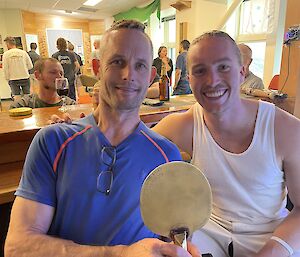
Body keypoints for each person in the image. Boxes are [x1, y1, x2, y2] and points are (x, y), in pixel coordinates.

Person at [5, 20, 200, 257]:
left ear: (150, 76)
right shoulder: (53, 141)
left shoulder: (166, 156)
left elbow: (171, 243)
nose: (129, 75)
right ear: (97, 67)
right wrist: (121, 253)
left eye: (140, 66)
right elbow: (18, 247)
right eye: (118, 62)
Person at [153, 30, 300, 256]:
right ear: (189, 79)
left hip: (270, 235)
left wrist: (273, 251)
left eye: (223, 67)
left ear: (242, 72)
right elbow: (133, 146)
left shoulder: (285, 129)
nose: (212, 81)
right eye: (200, 71)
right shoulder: (183, 125)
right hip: (207, 234)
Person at [9, 58, 76, 109]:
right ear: (37, 75)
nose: (59, 76)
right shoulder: (23, 105)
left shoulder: (70, 105)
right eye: (53, 72)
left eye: (61, 73)